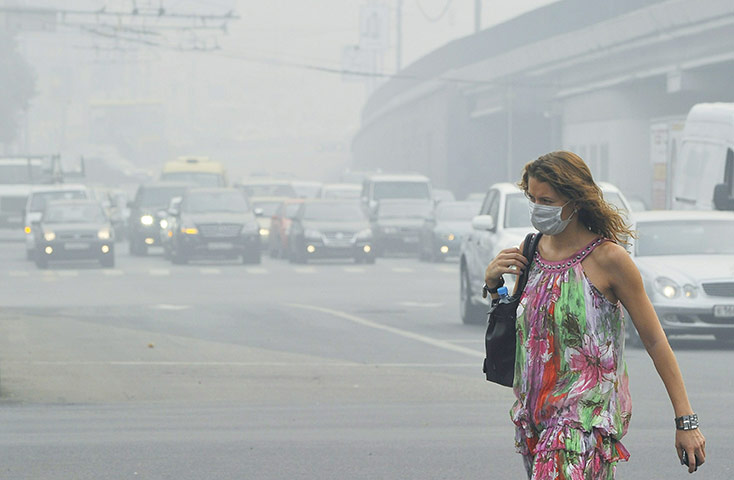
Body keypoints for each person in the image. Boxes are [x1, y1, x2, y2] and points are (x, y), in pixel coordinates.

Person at [483, 151, 706, 479]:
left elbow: (656, 341)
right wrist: (494, 286)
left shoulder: (609, 259)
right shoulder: (530, 250)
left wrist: (686, 422)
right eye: (532, 198)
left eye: (547, 200)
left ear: (575, 201)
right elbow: (522, 325)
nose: (537, 208)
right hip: (535, 417)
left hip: (585, 420)